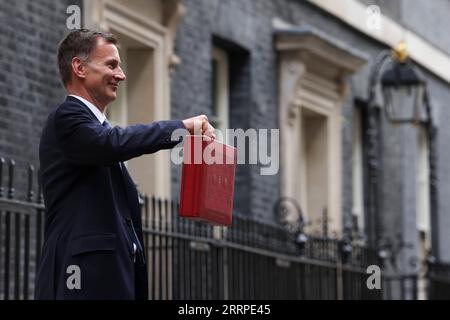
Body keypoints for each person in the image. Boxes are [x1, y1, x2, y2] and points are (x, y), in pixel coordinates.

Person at [34, 29, 215, 299]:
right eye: (111, 65)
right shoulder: (68, 116)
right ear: (79, 67)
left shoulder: (97, 130)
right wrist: (181, 128)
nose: (121, 75)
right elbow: (113, 143)